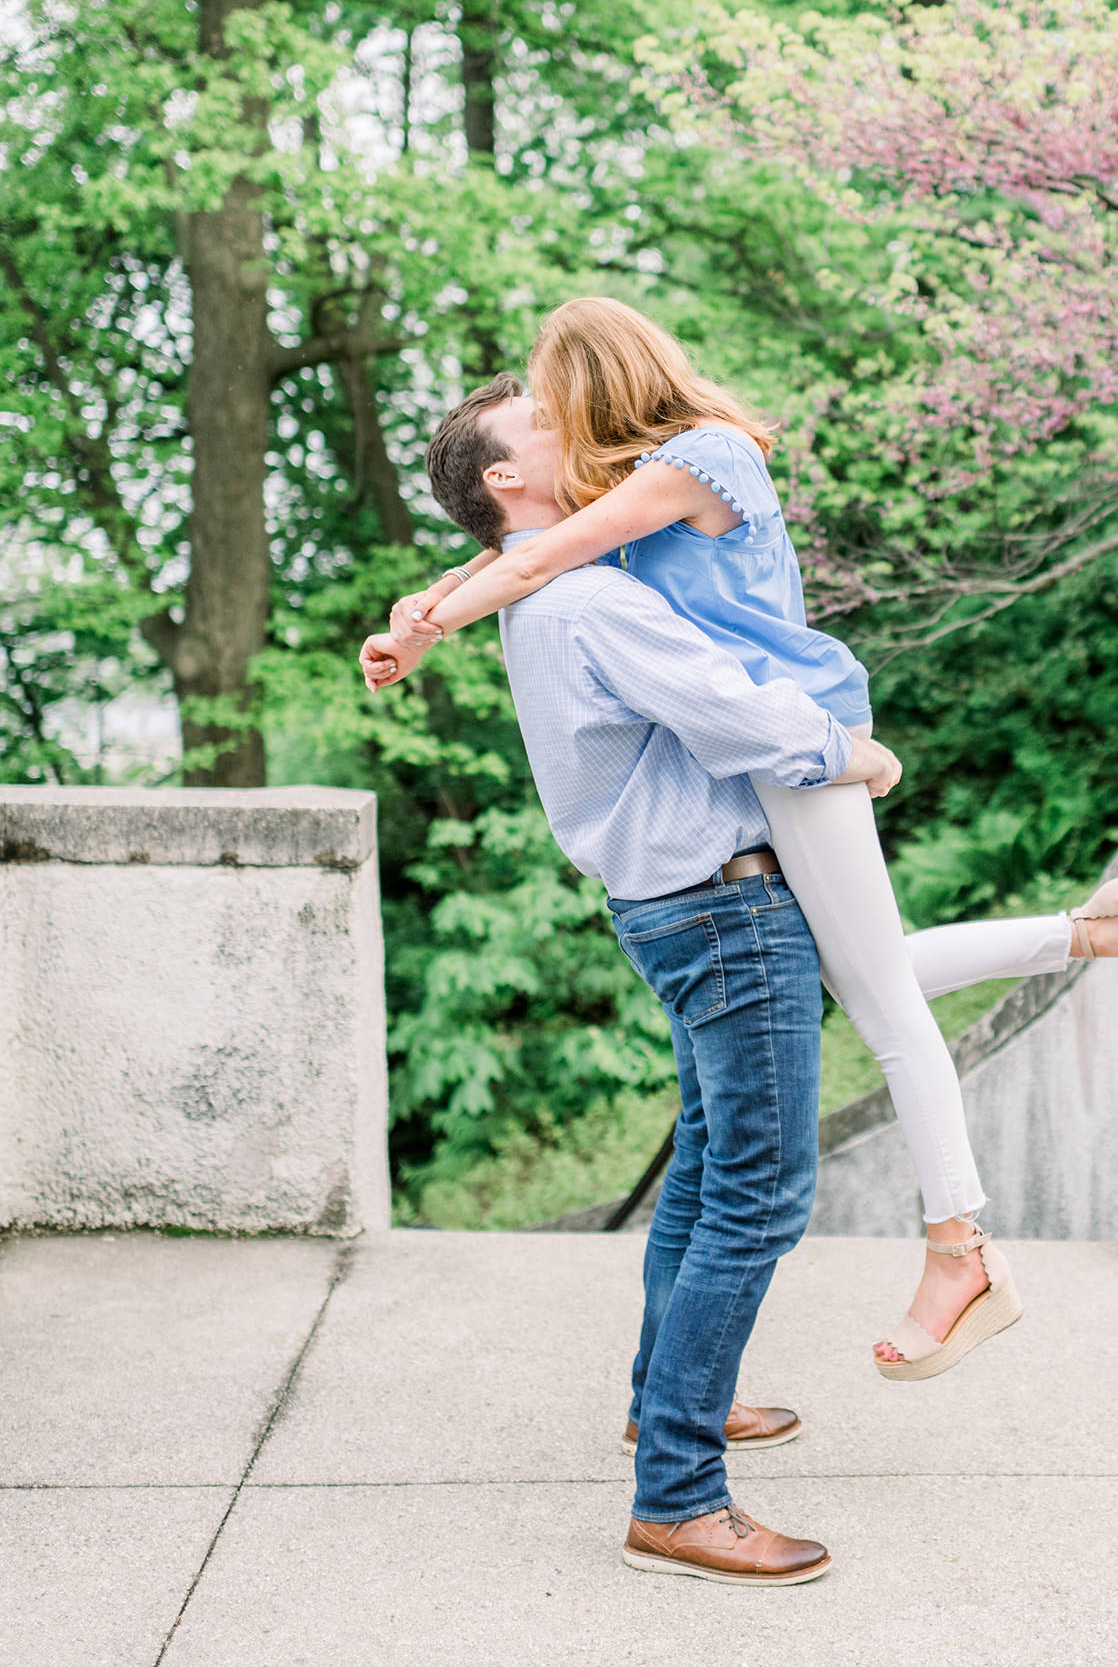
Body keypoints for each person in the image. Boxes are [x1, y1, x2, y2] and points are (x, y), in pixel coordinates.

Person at [365, 302, 1118, 1378]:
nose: (550, 420)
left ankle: (961, 1249)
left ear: (601, 380)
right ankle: (1097, 930)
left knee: (885, 1010)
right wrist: (436, 594)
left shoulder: (703, 457)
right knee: (857, 973)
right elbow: (535, 546)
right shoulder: (633, 485)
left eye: (549, 397)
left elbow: (543, 559)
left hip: (794, 734)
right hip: (768, 745)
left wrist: (425, 627)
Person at [362, 375, 901, 1583]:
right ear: (505, 479)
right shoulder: (585, 600)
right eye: (547, 429)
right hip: (722, 906)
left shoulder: (546, 589)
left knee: (710, 1170)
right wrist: (856, 754)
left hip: (683, 905)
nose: (580, 432)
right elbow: (731, 711)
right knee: (756, 1195)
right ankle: (677, 1494)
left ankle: (669, 1409)